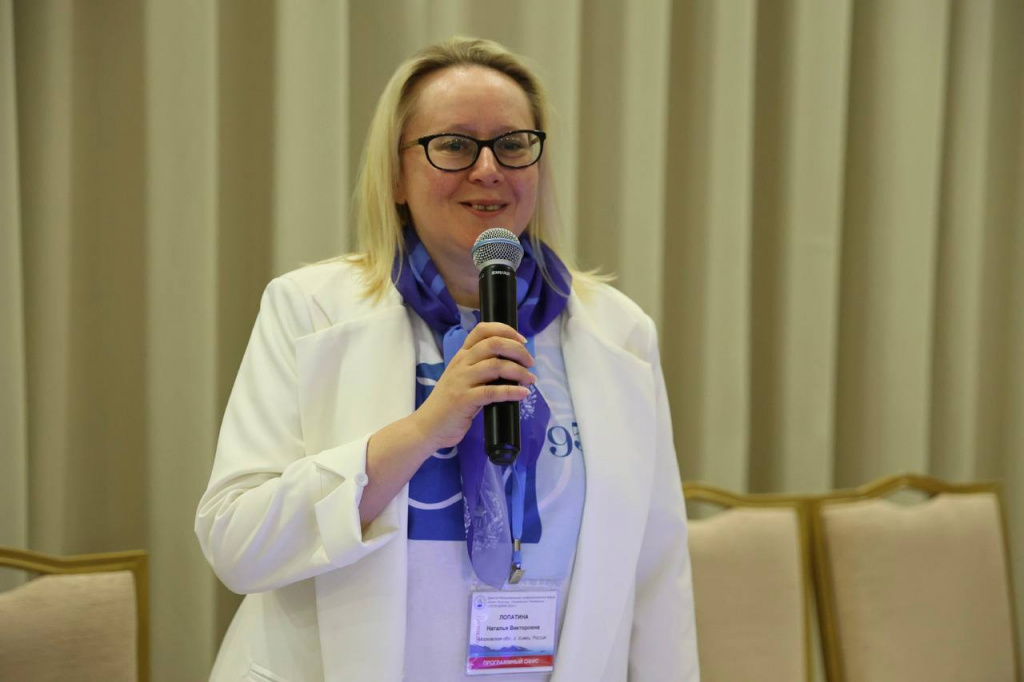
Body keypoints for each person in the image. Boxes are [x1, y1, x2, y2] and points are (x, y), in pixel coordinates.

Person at [195, 36, 699, 682]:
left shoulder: (618, 333)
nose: (488, 169)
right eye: (455, 145)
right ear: (397, 175)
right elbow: (237, 542)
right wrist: (423, 429)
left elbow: (657, 572)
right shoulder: (309, 310)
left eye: (512, 145)